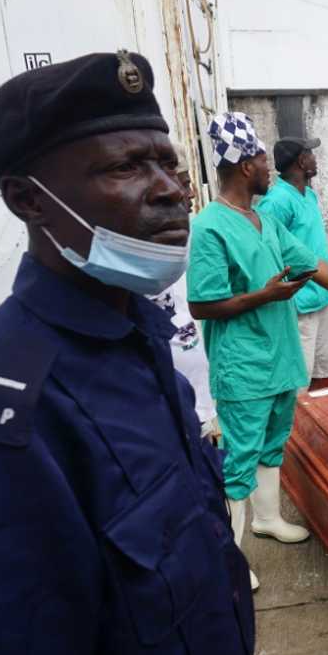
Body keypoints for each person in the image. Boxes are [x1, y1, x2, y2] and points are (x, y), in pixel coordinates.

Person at [0, 51, 271, 655]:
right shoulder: (7, 412)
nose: (172, 188)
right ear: (28, 199)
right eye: (125, 167)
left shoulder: (142, 336)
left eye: (170, 165)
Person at [187, 112, 328, 592]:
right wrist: (265, 296)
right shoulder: (210, 227)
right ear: (242, 166)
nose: (268, 167)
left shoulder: (263, 220)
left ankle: (268, 520)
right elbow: (202, 302)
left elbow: (312, 266)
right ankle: (229, 560)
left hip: (279, 360)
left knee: (273, 443)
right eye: (261, 158)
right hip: (244, 366)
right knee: (239, 458)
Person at [148, 150, 219, 440]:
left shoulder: (189, 236)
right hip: (165, 413)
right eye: (185, 183)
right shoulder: (135, 250)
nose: (191, 193)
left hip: (200, 401)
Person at [257, 137, 328, 387]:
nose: (315, 158)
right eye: (311, 154)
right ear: (301, 161)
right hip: (299, 306)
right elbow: (267, 252)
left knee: (322, 371)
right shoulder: (277, 201)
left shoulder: (309, 195)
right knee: (298, 381)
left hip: (321, 297)